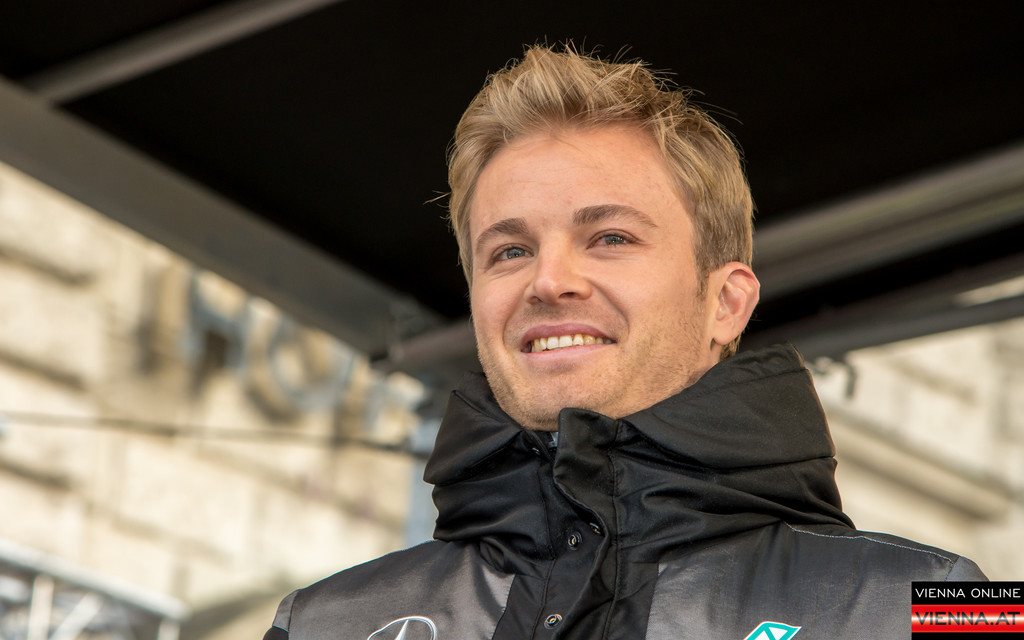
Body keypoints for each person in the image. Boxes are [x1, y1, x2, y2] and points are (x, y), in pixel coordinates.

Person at [264, 44, 985, 640]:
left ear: (726, 303)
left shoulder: (940, 601)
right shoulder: (320, 624)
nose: (549, 280)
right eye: (510, 251)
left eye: (609, 237)